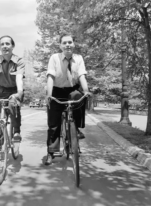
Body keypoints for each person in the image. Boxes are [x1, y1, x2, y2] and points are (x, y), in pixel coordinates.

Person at [45, 33, 91, 165]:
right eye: (64, 43)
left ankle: (75, 129)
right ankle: (51, 152)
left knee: (79, 96)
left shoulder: (79, 58)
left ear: (74, 45)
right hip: (57, 90)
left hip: (72, 89)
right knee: (53, 125)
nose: (67, 45)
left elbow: (82, 75)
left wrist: (86, 91)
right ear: (60, 46)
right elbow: (50, 77)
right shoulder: (54, 58)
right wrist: (49, 94)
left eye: (70, 42)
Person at [0, 35, 25, 143]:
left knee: (14, 106)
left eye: (7, 44)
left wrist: (19, 93)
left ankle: (16, 132)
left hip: (15, 90)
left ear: (12, 46)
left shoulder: (19, 61)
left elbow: (19, 79)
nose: (5, 46)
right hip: (1, 90)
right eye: (2, 44)